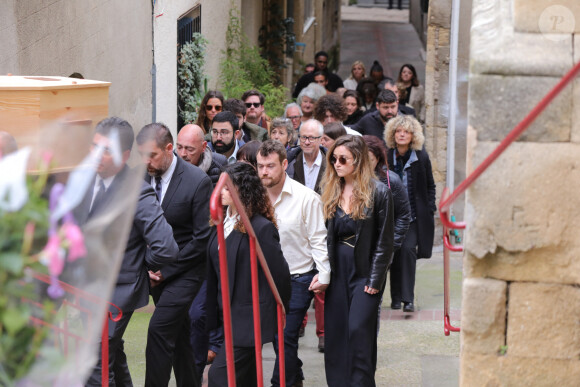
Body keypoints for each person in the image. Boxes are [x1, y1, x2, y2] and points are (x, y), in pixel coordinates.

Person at [84, 117, 179, 387]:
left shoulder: (137, 192)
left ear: (125, 155)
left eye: (106, 150)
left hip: (119, 290)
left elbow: (166, 247)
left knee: (94, 362)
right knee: (111, 354)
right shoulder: (87, 179)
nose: (96, 155)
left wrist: (141, 264)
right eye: (94, 146)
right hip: (89, 286)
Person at [136, 123, 212, 387]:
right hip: (154, 272)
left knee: (159, 331)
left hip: (186, 273)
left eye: (152, 155)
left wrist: (165, 270)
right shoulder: (141, 178)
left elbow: (202, 239)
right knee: (180, 339)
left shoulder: (197, 181)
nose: (146, 161)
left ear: (169, 150)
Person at [206, 162, 291, 387]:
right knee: (247, 378)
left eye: (227, 188)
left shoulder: (260, 228)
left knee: (219, 377)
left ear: (241, 191)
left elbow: (279, 274)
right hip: (228, 314)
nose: (221, 192)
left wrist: (280, 310)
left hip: (249, 318)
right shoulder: (222, 223)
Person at [320, 135, 394, 387]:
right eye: (333, 159)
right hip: (337, 269)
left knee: (359, 331)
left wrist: (376, 278)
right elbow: (322, 236)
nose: (336, 164)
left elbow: (385, 241)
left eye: (343, 159)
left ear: (358, 161)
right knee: (337, 333)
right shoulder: (330, 189)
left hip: (364, 269)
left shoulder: (380, 192)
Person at [256, 140, 330, 387]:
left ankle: (281, 383)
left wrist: (324, 274)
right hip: (265, 277)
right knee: (278, 339)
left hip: (299, 277)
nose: (264, 172)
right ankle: (295, 375)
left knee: (285, 334)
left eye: (270, 166)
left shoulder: (306, 198)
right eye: (260, 166)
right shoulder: (254, 197)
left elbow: (318, 239)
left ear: (285, 165)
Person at [385, 115, 436, 312]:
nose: (402, 135)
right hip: (390, 216)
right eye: (398, 131)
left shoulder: (420, 156)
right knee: (394, 254)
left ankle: (408, 299)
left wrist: (429, 207)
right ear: (393, 134)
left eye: (406, 132)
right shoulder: (387, 156)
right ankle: (395, 298)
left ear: (413, 135)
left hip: (413, 216)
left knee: (407, 251)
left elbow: (430, 185)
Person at [286, 119, 326, 194]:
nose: (307, 142)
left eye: (311, 138)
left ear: (321, 139)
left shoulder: (331, 164)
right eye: (304, 137)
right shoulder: (289, 162)